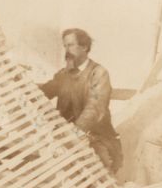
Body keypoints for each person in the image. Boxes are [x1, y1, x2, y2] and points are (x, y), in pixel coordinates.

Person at [40, 28, 122, 173]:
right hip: (66, 139)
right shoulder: (63, 75)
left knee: (97, 176)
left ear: (84, 47)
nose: (66, 50)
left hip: (96, 138)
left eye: (70, 45)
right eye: (65, 46)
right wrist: (19, 82)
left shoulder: (98, 73)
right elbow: (43, 92)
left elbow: (95, 108)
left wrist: (75, 132)